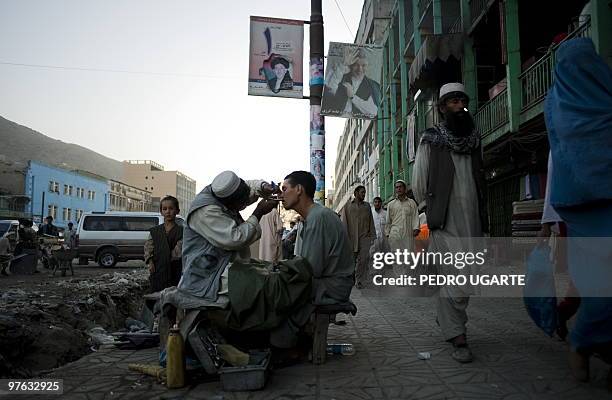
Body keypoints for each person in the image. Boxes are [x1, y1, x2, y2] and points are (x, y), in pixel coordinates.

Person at [173, 171, 312, 352]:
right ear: (228, 202)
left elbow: (249, 188)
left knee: (273, 272)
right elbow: (235, 238)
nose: (242, 205)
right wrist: (258, 212)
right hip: (209, 276)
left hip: (229, 265)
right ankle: (270, 335)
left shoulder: (222, 189)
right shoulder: (206, 211)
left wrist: (263, 187)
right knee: (269, 285)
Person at [544, 37, 612, 383]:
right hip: (582, 204)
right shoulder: (558, 104)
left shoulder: (558, 100)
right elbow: (560, 154)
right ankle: (582, 343)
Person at [412, 82, 488, 364]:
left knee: (466, 276)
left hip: (472, 220)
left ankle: (448, 319)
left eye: (461, 101)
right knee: (454, 275)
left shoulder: (474, 139)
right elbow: (419, 181)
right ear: (442, 108)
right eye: (452, 102)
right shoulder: (431, 138)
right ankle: (457, 336)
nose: (459, 106)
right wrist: (427, 214)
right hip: (444, 220)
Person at [281, 171, 354, 306]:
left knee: (273, 291)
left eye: (284, 189)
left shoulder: (317, 217)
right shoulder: (314, 215)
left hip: (332, 288)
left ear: (298, 189)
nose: (281, 195)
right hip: (331, 283)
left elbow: (310, 269)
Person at [322, 48, 381, 119]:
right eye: (356, 65)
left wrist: (353, 96)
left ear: (367, 66)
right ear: (350, 65)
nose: (360, 69)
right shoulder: (340, 77)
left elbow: (373, 112)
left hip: (356, 121)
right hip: (336, 119)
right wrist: (343, 65)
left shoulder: (372, 85)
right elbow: (329, 88)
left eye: (363, 65)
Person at [144, 196, 183, 293]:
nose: (168, 211)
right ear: (161, 212)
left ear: (177, 211)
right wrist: (150, 261)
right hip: (157, 270)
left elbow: (178, 251)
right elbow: (148, 247)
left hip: (174, 270)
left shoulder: (181, 231)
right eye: (164, 209)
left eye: (171, 208)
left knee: (171, 296)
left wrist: (165, 260)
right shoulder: (155, 231)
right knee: (155, 295)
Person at [340, 185, 375, 289]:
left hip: (365, 237)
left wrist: (372, 235)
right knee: (351, 260)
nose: (364, 194)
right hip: (351, 237)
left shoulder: (367, 206)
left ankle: (359, 280)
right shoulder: (347, 206)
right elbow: (344, 222)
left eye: (364, 192)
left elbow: (371, 221)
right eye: (362, 192)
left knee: (363, 260)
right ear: (355, 193)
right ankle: (351, 279)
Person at [385, 180, 420, 278]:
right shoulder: (391, 204)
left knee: (408, 255)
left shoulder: (411, 203)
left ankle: (405, 275)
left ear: (405, 189)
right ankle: (399, 277)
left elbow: (415, 216)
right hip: (395, 233)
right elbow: (388, 220)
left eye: (400, 187)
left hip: (408, 232)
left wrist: (416, 228)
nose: (398, 189)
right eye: (396, 187)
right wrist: (388, 233)